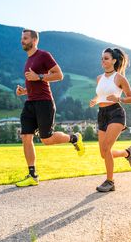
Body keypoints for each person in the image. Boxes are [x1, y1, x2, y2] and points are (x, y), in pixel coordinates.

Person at [15, 29, 85, 187]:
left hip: (44, 103)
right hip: (30, 103)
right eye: (22, 38)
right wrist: (24, 91)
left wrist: (39, 76)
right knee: (26, 137)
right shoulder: (28, 60)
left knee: (46, 139)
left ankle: (74, 138)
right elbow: (35, 84)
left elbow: (59, 75)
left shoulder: (44, 55)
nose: (22, 41)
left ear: (34, 40)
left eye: (25, 38)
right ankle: (32, 175)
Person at [89, 47, 131, 192]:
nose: (103, 61)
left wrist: (119, 98)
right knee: (104, 153)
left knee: (106, 148)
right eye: (102, 58)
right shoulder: (99, 78)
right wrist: (95, 100)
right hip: (102, 113)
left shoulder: (120, 78)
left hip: (116, 113)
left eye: (106, 58)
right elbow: (102, 94)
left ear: (114, 61)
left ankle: (110, 182)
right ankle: (127, 153)